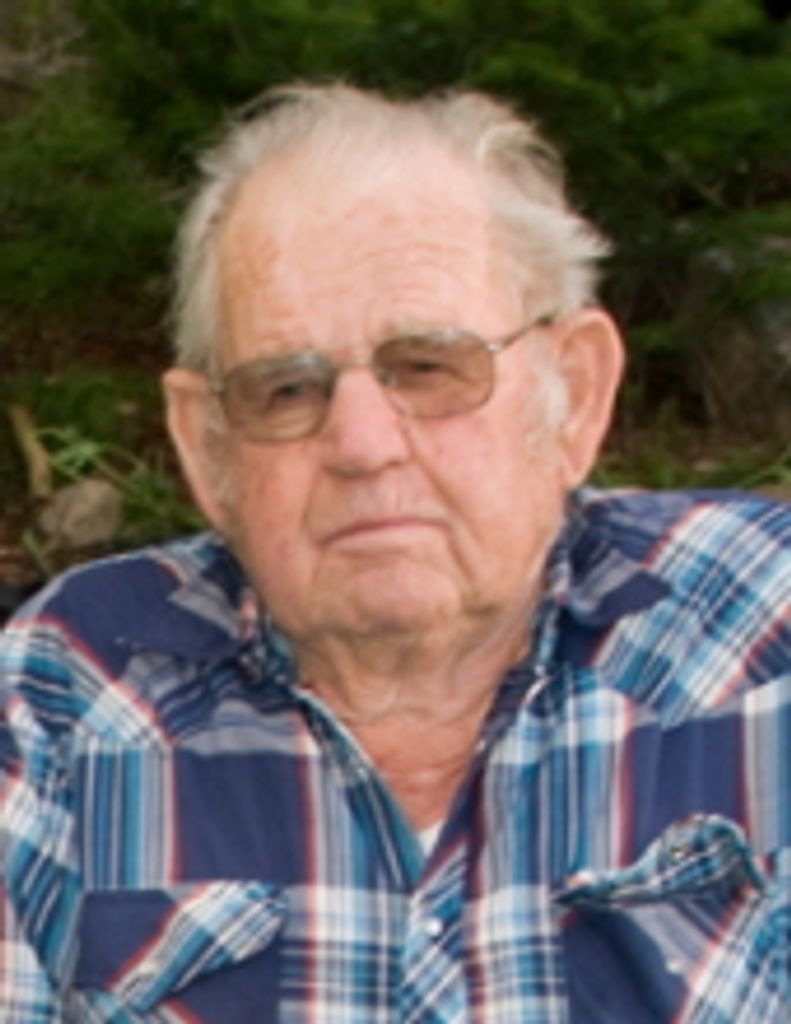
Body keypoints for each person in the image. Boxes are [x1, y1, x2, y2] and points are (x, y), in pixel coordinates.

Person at [1, 83, 788, 1024]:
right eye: (287, 390)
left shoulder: (760, 629)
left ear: (572, 395)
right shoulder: (68, 694)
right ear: (209, 449)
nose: (362, 443)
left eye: (427, 367)